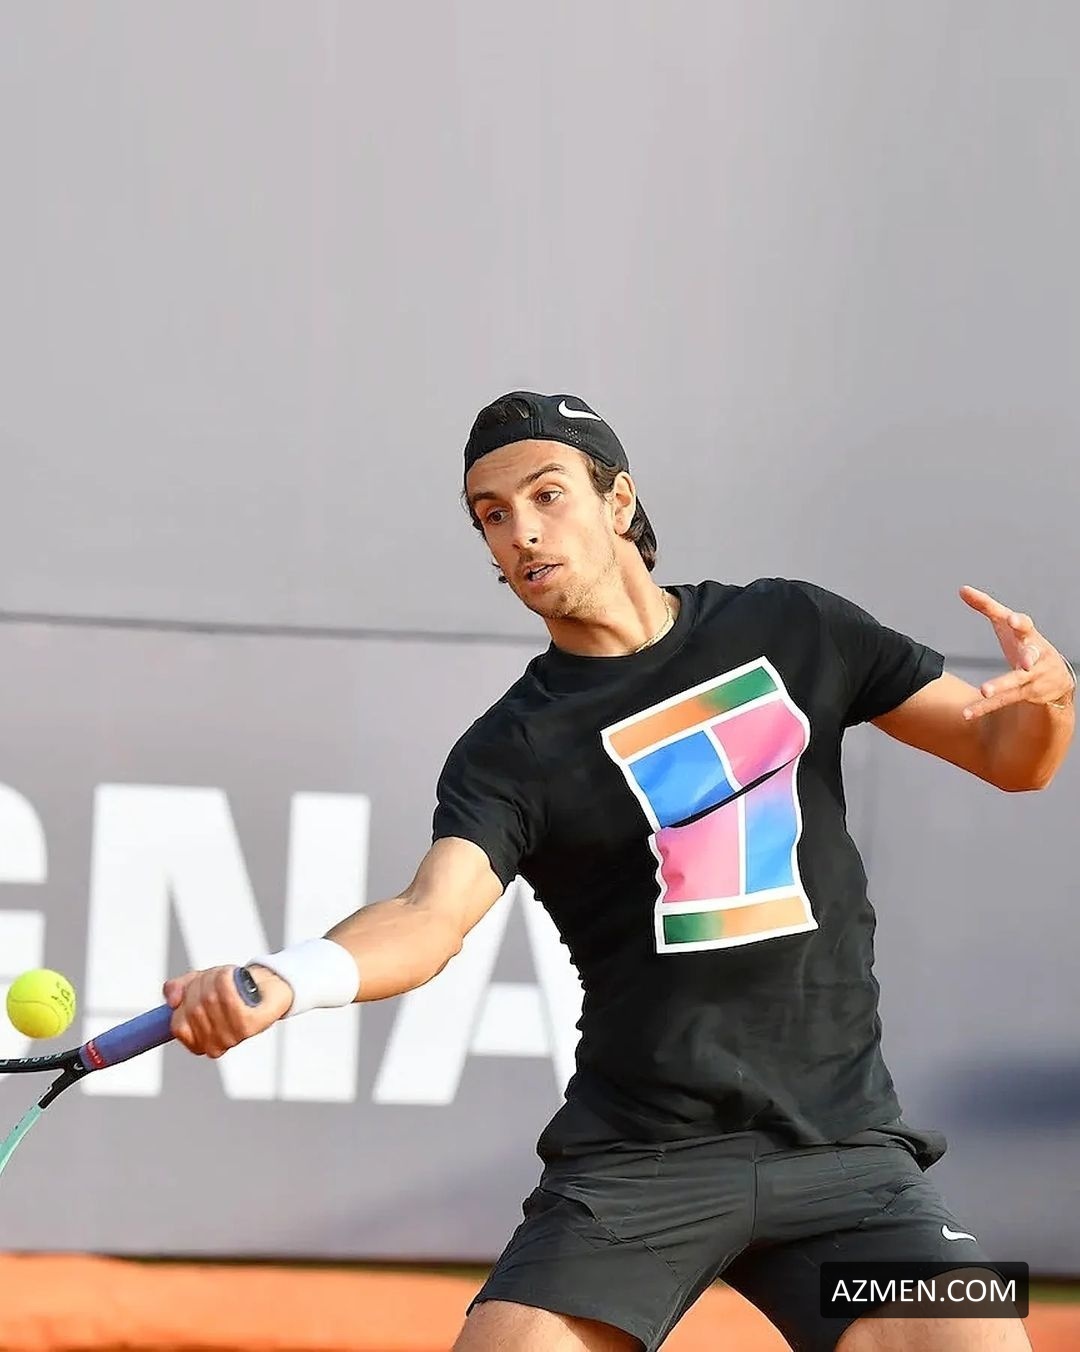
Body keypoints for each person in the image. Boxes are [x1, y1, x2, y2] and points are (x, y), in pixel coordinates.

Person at [166, 392, 1075, 1352]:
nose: (521, 532)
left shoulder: (794, 624)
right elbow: (428, 916)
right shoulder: (511, 749)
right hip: (639, 1168)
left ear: (619, 499)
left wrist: (1053, 699)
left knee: (979, 1338)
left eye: (546, 494)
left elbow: (1010, 759)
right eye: (491, 515)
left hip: (847, 1155)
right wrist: (288, 978)